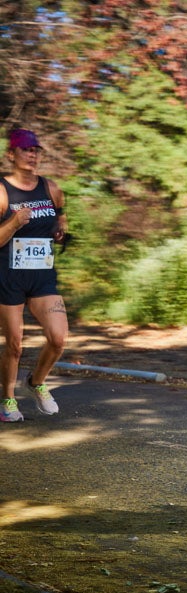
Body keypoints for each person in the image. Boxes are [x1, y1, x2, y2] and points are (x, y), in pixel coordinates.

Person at [0, 128, 68, 422]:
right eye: (26, 150)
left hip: (42, 276)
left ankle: (36, 381)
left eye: (36, 150)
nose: (32, 155)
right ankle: (8, 400)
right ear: (11, 154)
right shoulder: (2, 192)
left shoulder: (51, 188)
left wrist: (60, 232)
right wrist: (14, 223)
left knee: (58, 338)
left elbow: (60, 217)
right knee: (15, 344)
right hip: (8, 276)